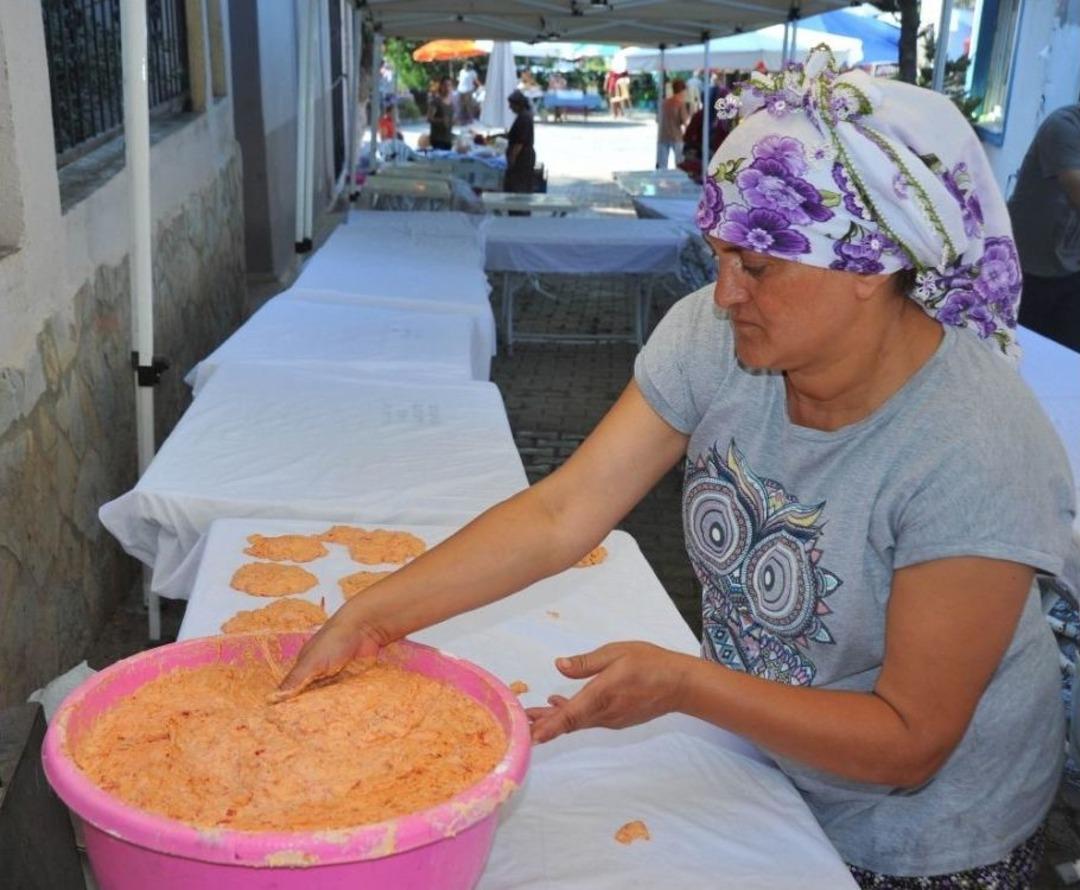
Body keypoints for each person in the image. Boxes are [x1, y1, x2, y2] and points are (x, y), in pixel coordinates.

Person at [280, 47, 1076, 887]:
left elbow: (911, 738)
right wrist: (374, 615)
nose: (724, 292)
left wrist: (689, 687)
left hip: (926, 835)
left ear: (870, 272)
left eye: (759, 265)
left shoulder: (974, 445)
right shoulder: (717, 336)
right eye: (720, 254)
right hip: (765, 762)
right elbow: (564, 513)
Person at [1008, 101, 1080, 351]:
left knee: (1067, 353)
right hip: (1031, 267)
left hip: (1069, 267)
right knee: (1022, 350)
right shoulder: (1064, 127)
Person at [503, 89, 536, 205]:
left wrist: (512, 158)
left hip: (522, 158)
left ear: (518, 104)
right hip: (524, 156)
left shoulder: (524, 118)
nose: (510, 107)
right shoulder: (524, 116)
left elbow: (519, 143)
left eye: (511, 104)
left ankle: (519, 211)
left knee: (519, 187)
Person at [657, 78, 690, 169]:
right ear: (683, 91)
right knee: (680, 165)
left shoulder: (663, 103)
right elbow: (686, 122)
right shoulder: (680, 104)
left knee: (662, 166)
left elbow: (658, 120)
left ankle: (660, 182)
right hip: (676, 137)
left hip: (662, 136)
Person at [426, 76, 454, 151]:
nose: (447, 88)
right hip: (438, 139)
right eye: (445, 85)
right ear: (441, 86)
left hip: (448, 138)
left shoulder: (451, 102)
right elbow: (429, 118)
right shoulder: (436, 102)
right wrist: (441, 121)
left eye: (449, 85)